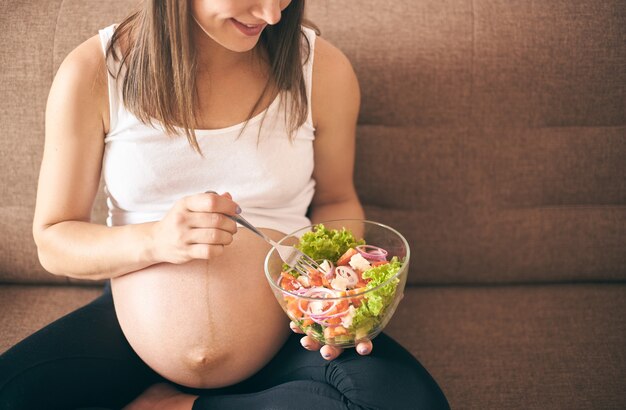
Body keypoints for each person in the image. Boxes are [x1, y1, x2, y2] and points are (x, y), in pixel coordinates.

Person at [0, 0, 450, 409]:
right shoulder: (94, 71)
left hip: (288, 331)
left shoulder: (321, 68)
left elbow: (335, 199)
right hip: (131, 332)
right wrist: (156, 240)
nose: (272, 15)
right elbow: (54, 241)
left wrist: (336, 298)